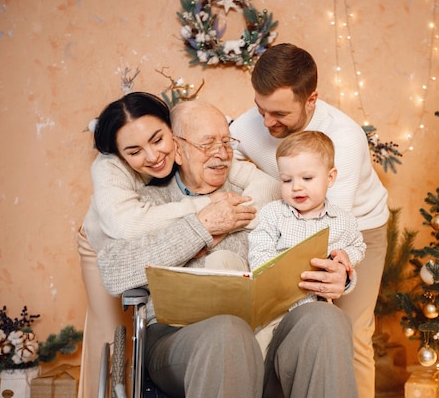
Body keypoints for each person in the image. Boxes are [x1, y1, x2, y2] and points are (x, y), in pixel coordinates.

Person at [96, 100, 359, 398]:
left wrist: (340, 274)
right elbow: (113, 273)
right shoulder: (145, 205)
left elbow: (314, 236)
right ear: (177, 149)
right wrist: (200, 229)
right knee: (228, 332)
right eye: (208, 144)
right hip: (179, 340)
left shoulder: (259, 195)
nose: (221, 154)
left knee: (326, 320)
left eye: (226, 142)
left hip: (267, 333)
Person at [77, 92, 277, 398]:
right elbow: (125, 231)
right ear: (121, 155)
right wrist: (203, 221)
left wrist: (233, 217)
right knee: (105, 335)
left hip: (222, 316)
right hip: (103, 240)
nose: (153, 156)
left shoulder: (215, 161)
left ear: (174, 135)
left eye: (158, 140)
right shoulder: (113, 172)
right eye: (134, 151)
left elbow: (264, 183)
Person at [230, 43, 389, 398]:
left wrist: (341, 275)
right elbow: (220, 159)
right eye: (261, 110)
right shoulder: (249, 124)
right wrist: (267, 189)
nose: (268, 122)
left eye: (280, 114)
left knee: (351, 331)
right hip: (286, 220)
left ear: (311, 99)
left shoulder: (345, 139)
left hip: (354, 226)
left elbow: (330, 226)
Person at [248, 130, 366, 308]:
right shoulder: (272, 214)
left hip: (317, 305)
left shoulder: (344, 220)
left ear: (330, 177)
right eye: (287, 180)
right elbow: (259, 252)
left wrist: (346, 256)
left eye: (307, 178)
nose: (296, 187)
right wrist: (281, 273)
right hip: (275, 303)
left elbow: (358, 246)